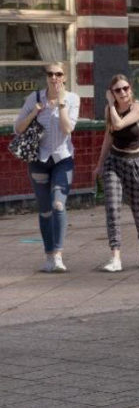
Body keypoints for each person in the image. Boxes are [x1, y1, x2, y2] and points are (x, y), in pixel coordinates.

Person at [16, 62, 79, 272]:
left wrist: (61, 104)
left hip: (62, 159)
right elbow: (17, 128)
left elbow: (68, 128)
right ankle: (49, 255)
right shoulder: (34, 98)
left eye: (58, 74)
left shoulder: (72, 99)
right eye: (50, 74)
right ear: (46, 77)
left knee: (58, 205)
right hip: (39, 161)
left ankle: (59, 255)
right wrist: (34, 112)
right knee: (44, 211)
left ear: (65, 77)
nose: (54, 78)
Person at [97, 74, 139, 272]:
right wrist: (100, 164)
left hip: (137, 163)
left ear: (131, 89)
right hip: (115, 161)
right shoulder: (109, 110)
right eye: (118, 90)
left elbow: (120, 124)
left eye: (125, 88)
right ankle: (115, 256)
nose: (123, 93)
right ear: (112, 93)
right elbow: (109, 136)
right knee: (112, 208)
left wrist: (111, 105)